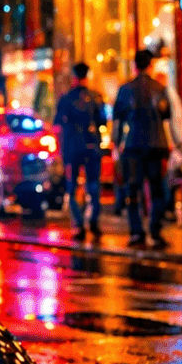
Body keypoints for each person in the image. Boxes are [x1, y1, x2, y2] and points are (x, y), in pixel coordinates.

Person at [112, 49, 174, 248]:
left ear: (135, 66)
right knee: (157, 190)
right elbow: (166, 117)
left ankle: (136, 232)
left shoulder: (126, 89)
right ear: (151, 65)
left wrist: (116, 143)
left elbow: (118, 120)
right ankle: (155, 230)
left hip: (134, 146)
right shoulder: (160, 88)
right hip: (156, 145)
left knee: (133, 190)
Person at [54, 62, 106, 240]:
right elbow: (103, 122)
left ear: (74, 77)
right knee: (93, 185)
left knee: (72, 186)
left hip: (72, 149)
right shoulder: (96, 97)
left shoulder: (66, 99)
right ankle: (94, 221)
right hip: (92, 147)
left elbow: (58, 126)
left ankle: (78, 224)